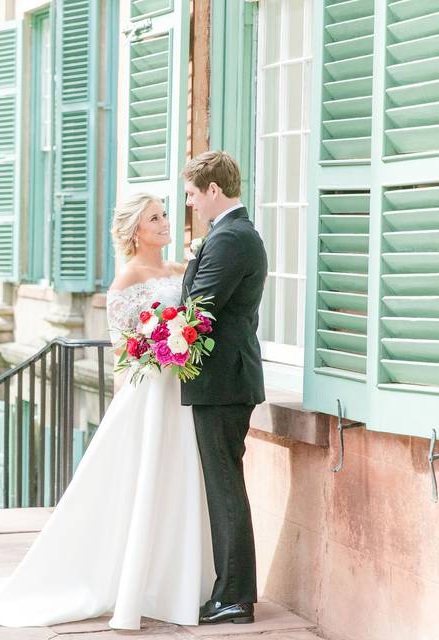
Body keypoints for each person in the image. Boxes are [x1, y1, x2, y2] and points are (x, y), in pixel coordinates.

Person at [0, 193, 216, 630]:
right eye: (156, 218)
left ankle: (177, 583)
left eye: (165, 214)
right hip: (149, 393)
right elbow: (123, 349)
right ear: (136, 231)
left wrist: (181, 336)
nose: (167, 222)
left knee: (180, 480)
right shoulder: (125, 282)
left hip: (181, 391)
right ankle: (129, 581)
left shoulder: (177, 272)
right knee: (144, 480)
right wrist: (158, 344)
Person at [181, 150, 268, 625]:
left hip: (224, 381)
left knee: (225, 487)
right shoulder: (230, 234)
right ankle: (231, 591)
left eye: (193, 194)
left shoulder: (231, 238)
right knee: (224, 485)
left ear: (214, 190)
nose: (191, 204)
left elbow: (199, 306)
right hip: (227, 380)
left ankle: (234, 596)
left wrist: (194, 260)